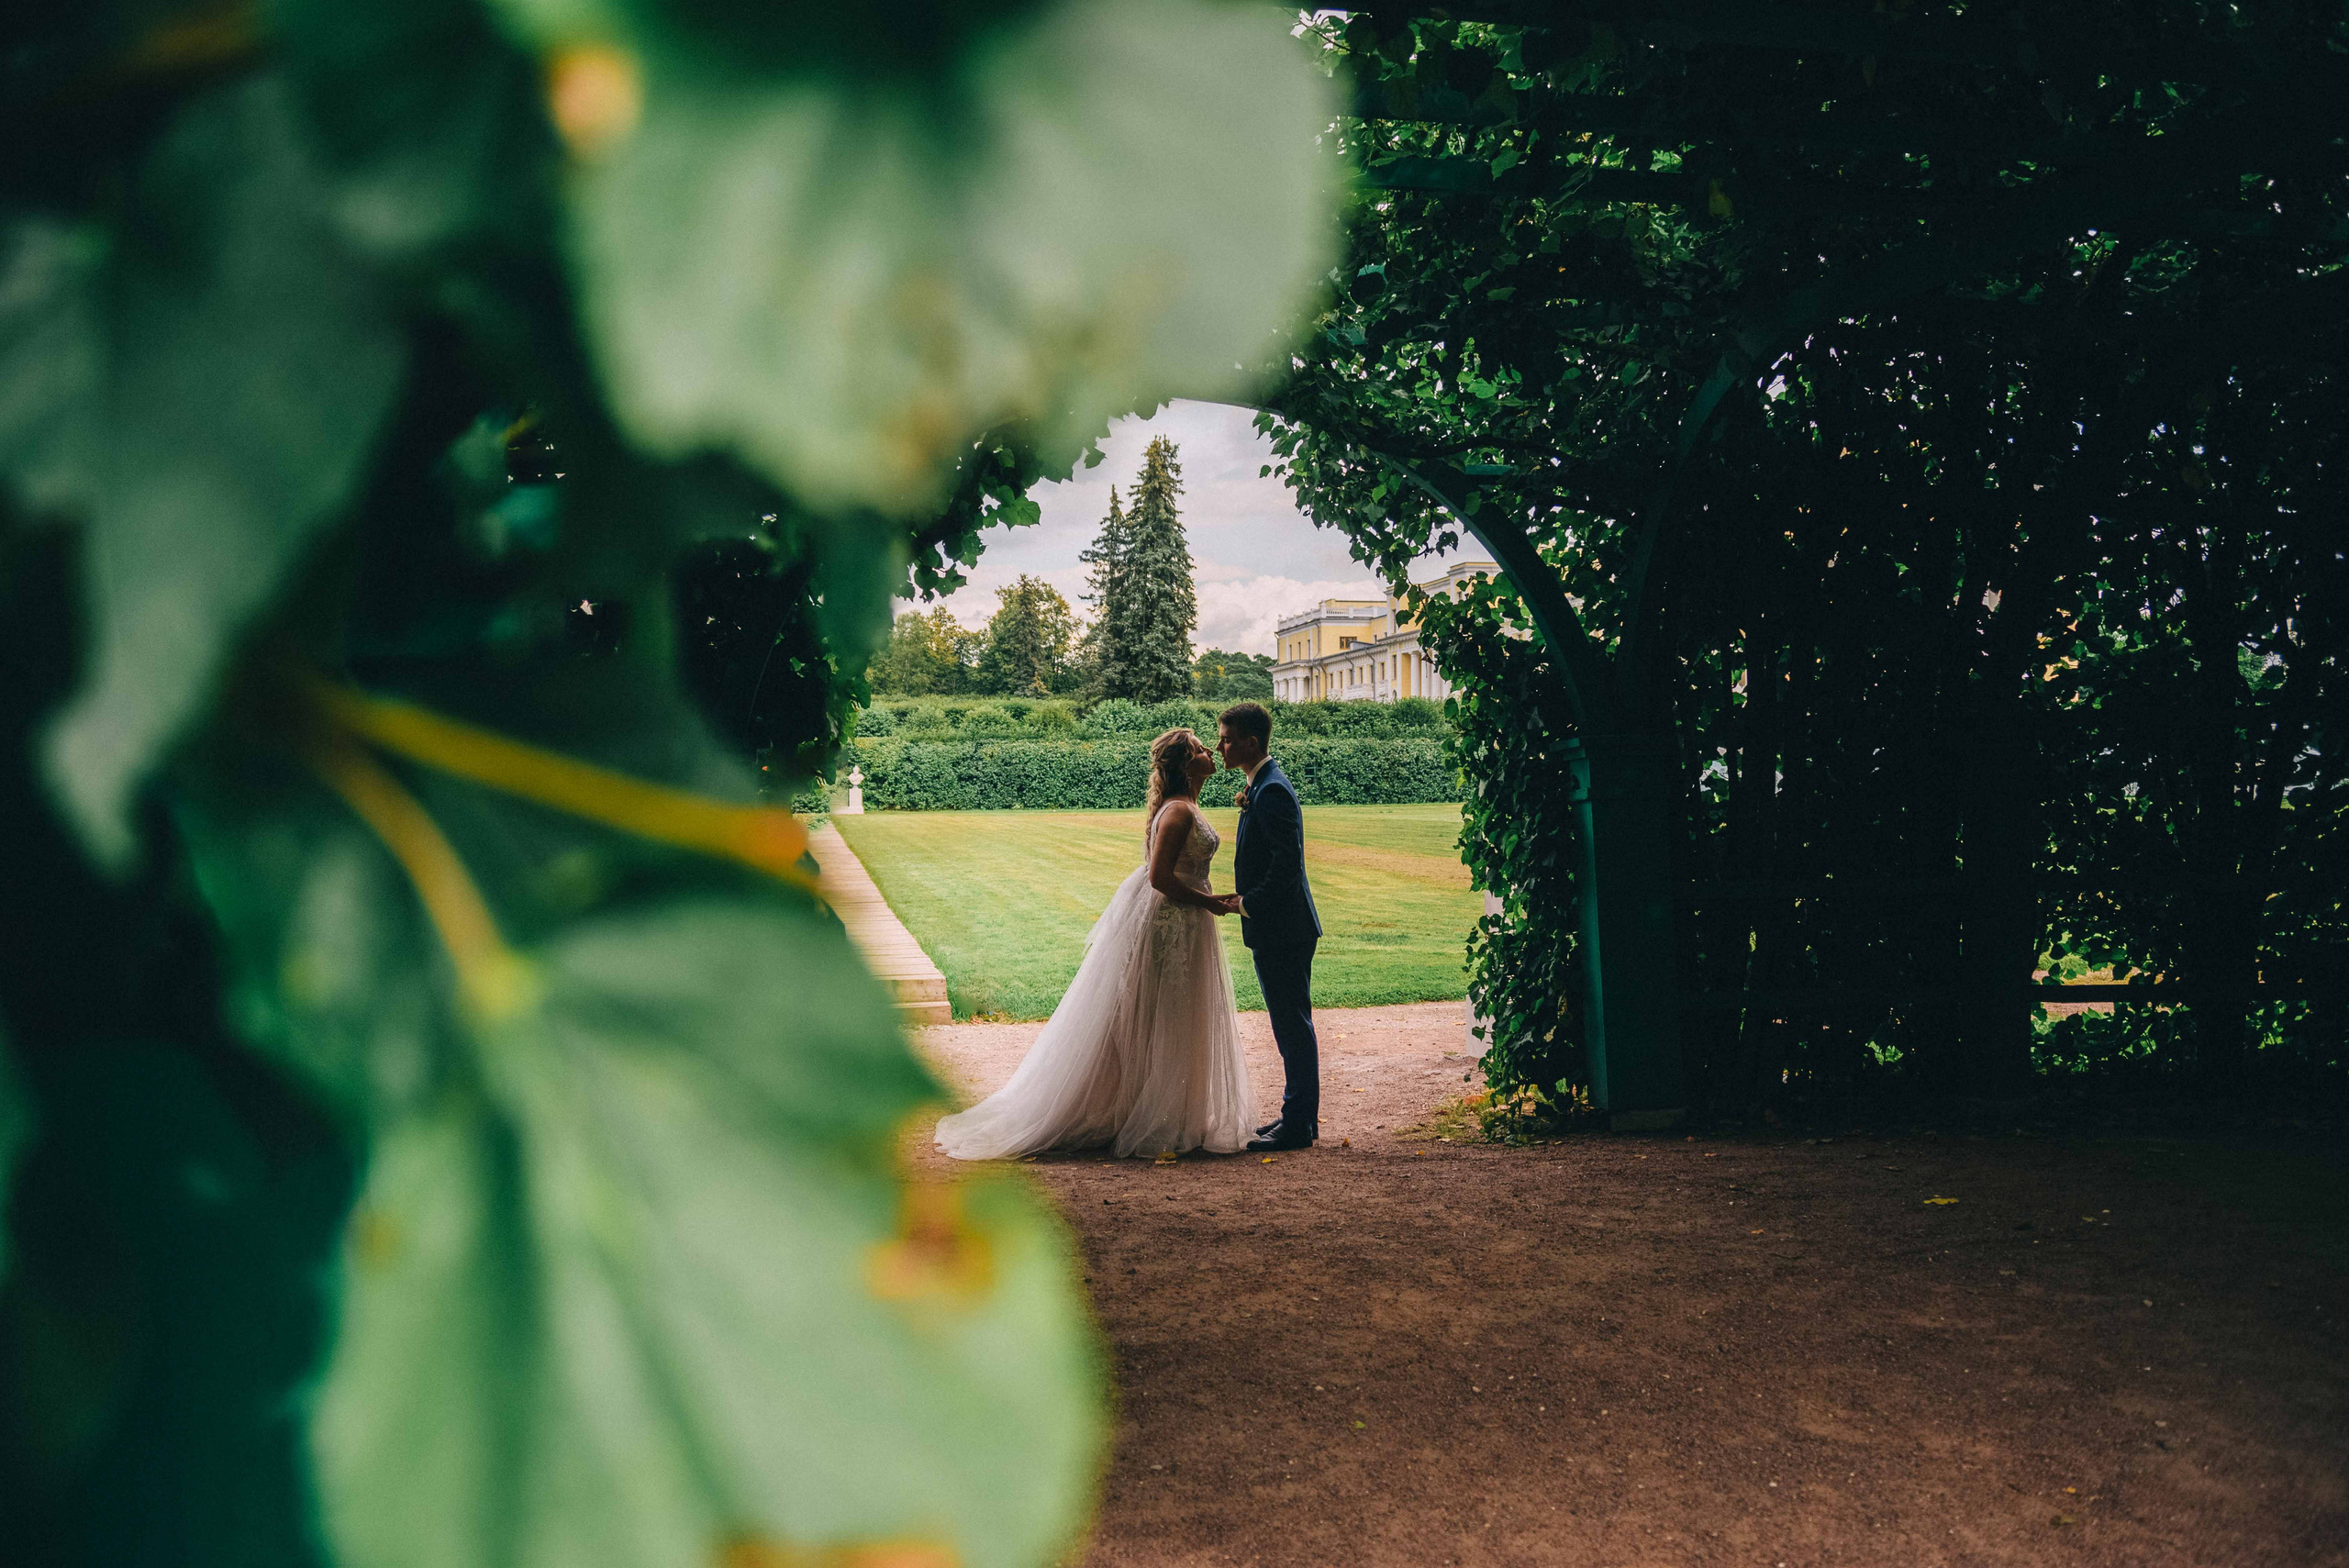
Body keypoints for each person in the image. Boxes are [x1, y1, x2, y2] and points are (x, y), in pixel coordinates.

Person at [934, 728, 1252, 1160]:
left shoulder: (1187, 805)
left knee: (1174, 1011)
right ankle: (1145, 1114)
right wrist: (1211, 903)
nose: (1210, 751)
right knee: (1162, 1011)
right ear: (1183, 764)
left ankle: (1170, 1113)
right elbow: (1160, 879)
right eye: (1199, 748)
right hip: (1172, 921)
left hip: (1185, 920)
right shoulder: (1178, 812)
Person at [1216, 701, 1322, 1151]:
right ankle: (1297, 1118)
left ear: (1251, 742)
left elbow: (1285, 868)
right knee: (1290, 1025)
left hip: (1283, 928)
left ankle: (1297, 1126)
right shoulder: (1260, 785)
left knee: (1292, 1026)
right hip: (1281, 928)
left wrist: (1246, 904)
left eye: (1226, 738)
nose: (1220, 746)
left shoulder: (1272, 790)